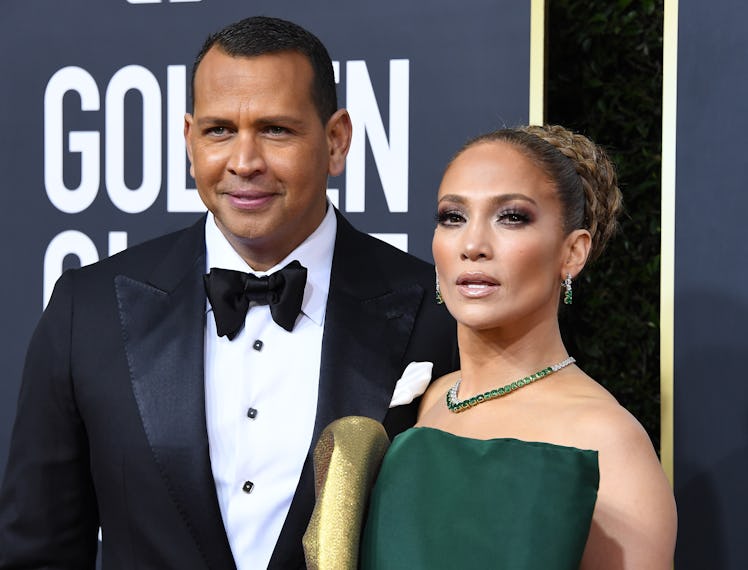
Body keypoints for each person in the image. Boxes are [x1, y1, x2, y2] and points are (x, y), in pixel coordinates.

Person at [0, 16, 458, 569]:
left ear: (336, 141)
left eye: (275, 130)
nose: (244, 162)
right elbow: (38, 551)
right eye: (219, 131)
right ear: (190, 139)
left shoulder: (438, 313)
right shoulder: (87, 309)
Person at [360, 125, 677, 569]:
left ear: (573, 253)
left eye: (511, 217)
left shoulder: (607, 443)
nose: (472, 245)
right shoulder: (425, 398)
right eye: (453, 217)